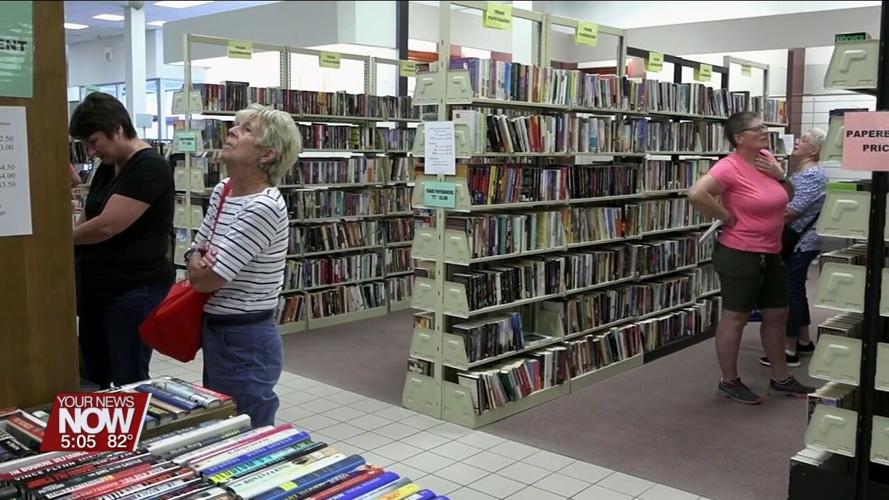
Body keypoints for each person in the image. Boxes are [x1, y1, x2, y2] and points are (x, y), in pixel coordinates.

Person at [688, 111, 815, 405]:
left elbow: (789, 196)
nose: (765, 131)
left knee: (777, 314)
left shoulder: (766, 159)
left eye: (764, 126)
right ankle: (729, 381)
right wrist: (726, 217)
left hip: (770, 250)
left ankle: (780, 379)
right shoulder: (729, 167)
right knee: (736, 318)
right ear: (739, 138)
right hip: (740, 252)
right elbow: (696, 194)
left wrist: (780, 175)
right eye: (758, 128)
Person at [186, 104, 298, 427]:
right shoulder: (224, 190)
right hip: (217, 330)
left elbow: (207, 280)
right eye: (236, 126)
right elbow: (196, 249)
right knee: (222, 423)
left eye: (247, 130)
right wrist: (197, 260)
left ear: (267, 155)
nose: (232, 131)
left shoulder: (264, 206)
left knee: (247, 429)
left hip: (245, 337)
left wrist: (200, 265)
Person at [71, 92, 174, 388]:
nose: (90, 151)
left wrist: (59, 241)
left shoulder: (149, 167)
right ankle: (104, 431)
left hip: (134, 289)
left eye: (94, 142)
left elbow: (107, 226)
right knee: (93, 372)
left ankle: (137, 432)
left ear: (117, 128)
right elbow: (89, 215)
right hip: (98, 288)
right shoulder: (107, 166)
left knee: (129, 375)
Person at [760, 128, 828, 368]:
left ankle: (788, 349)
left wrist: (758, 213)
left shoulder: (812, 175)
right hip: (798, 239)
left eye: (804, 140)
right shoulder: (801, 171)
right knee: (796, 288)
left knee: (790, 291)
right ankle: (803, 340)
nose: (798, 141)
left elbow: (791, 211)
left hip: (801, 241)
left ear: (815, 149)